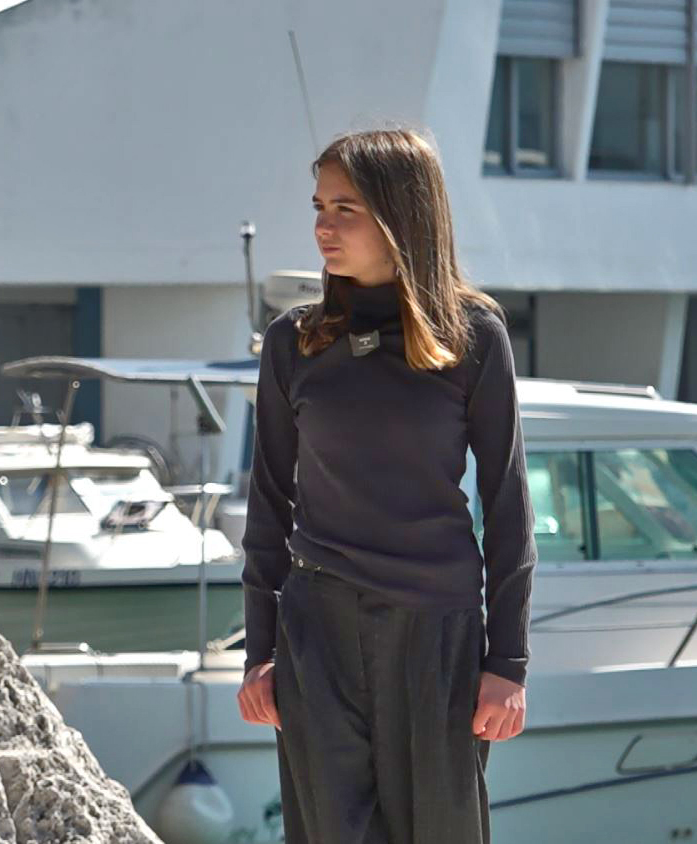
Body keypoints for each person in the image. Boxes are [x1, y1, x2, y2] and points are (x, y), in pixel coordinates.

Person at [234, 128, 536, 844]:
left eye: (346, 209)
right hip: (316, 631)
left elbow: (506, 506)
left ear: (402, 213)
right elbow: (269, 502)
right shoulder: (293, 341)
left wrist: (508, 664)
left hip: (435, 632)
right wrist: (259, 651)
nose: (323, 227)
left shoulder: (473, 335)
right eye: (319, 207)